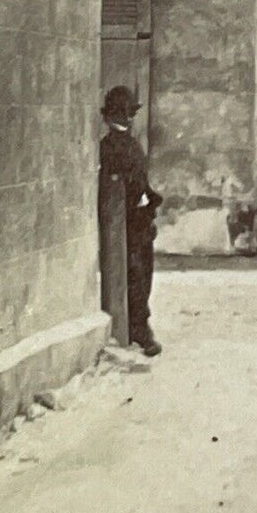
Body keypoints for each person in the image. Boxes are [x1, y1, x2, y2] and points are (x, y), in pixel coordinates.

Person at [99, 86, 163, 356]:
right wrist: (149, 202)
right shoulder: (129, 146)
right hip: (134, 221)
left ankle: (133, 325)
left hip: (126, 220)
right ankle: (140, 329)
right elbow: (136, 186)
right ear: (126, 116)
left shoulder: (106, 146)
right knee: (139, 275)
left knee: (132, 275)